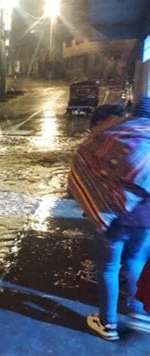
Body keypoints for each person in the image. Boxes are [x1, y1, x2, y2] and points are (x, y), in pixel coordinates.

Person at [68, 97, 150, 341]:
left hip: (111, 214)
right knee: (136, 263)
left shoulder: (110, 135)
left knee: (109, 267)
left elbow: (84, 161)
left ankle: (108, 324)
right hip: (146, 219)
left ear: (133, 114)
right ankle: (140, 314)